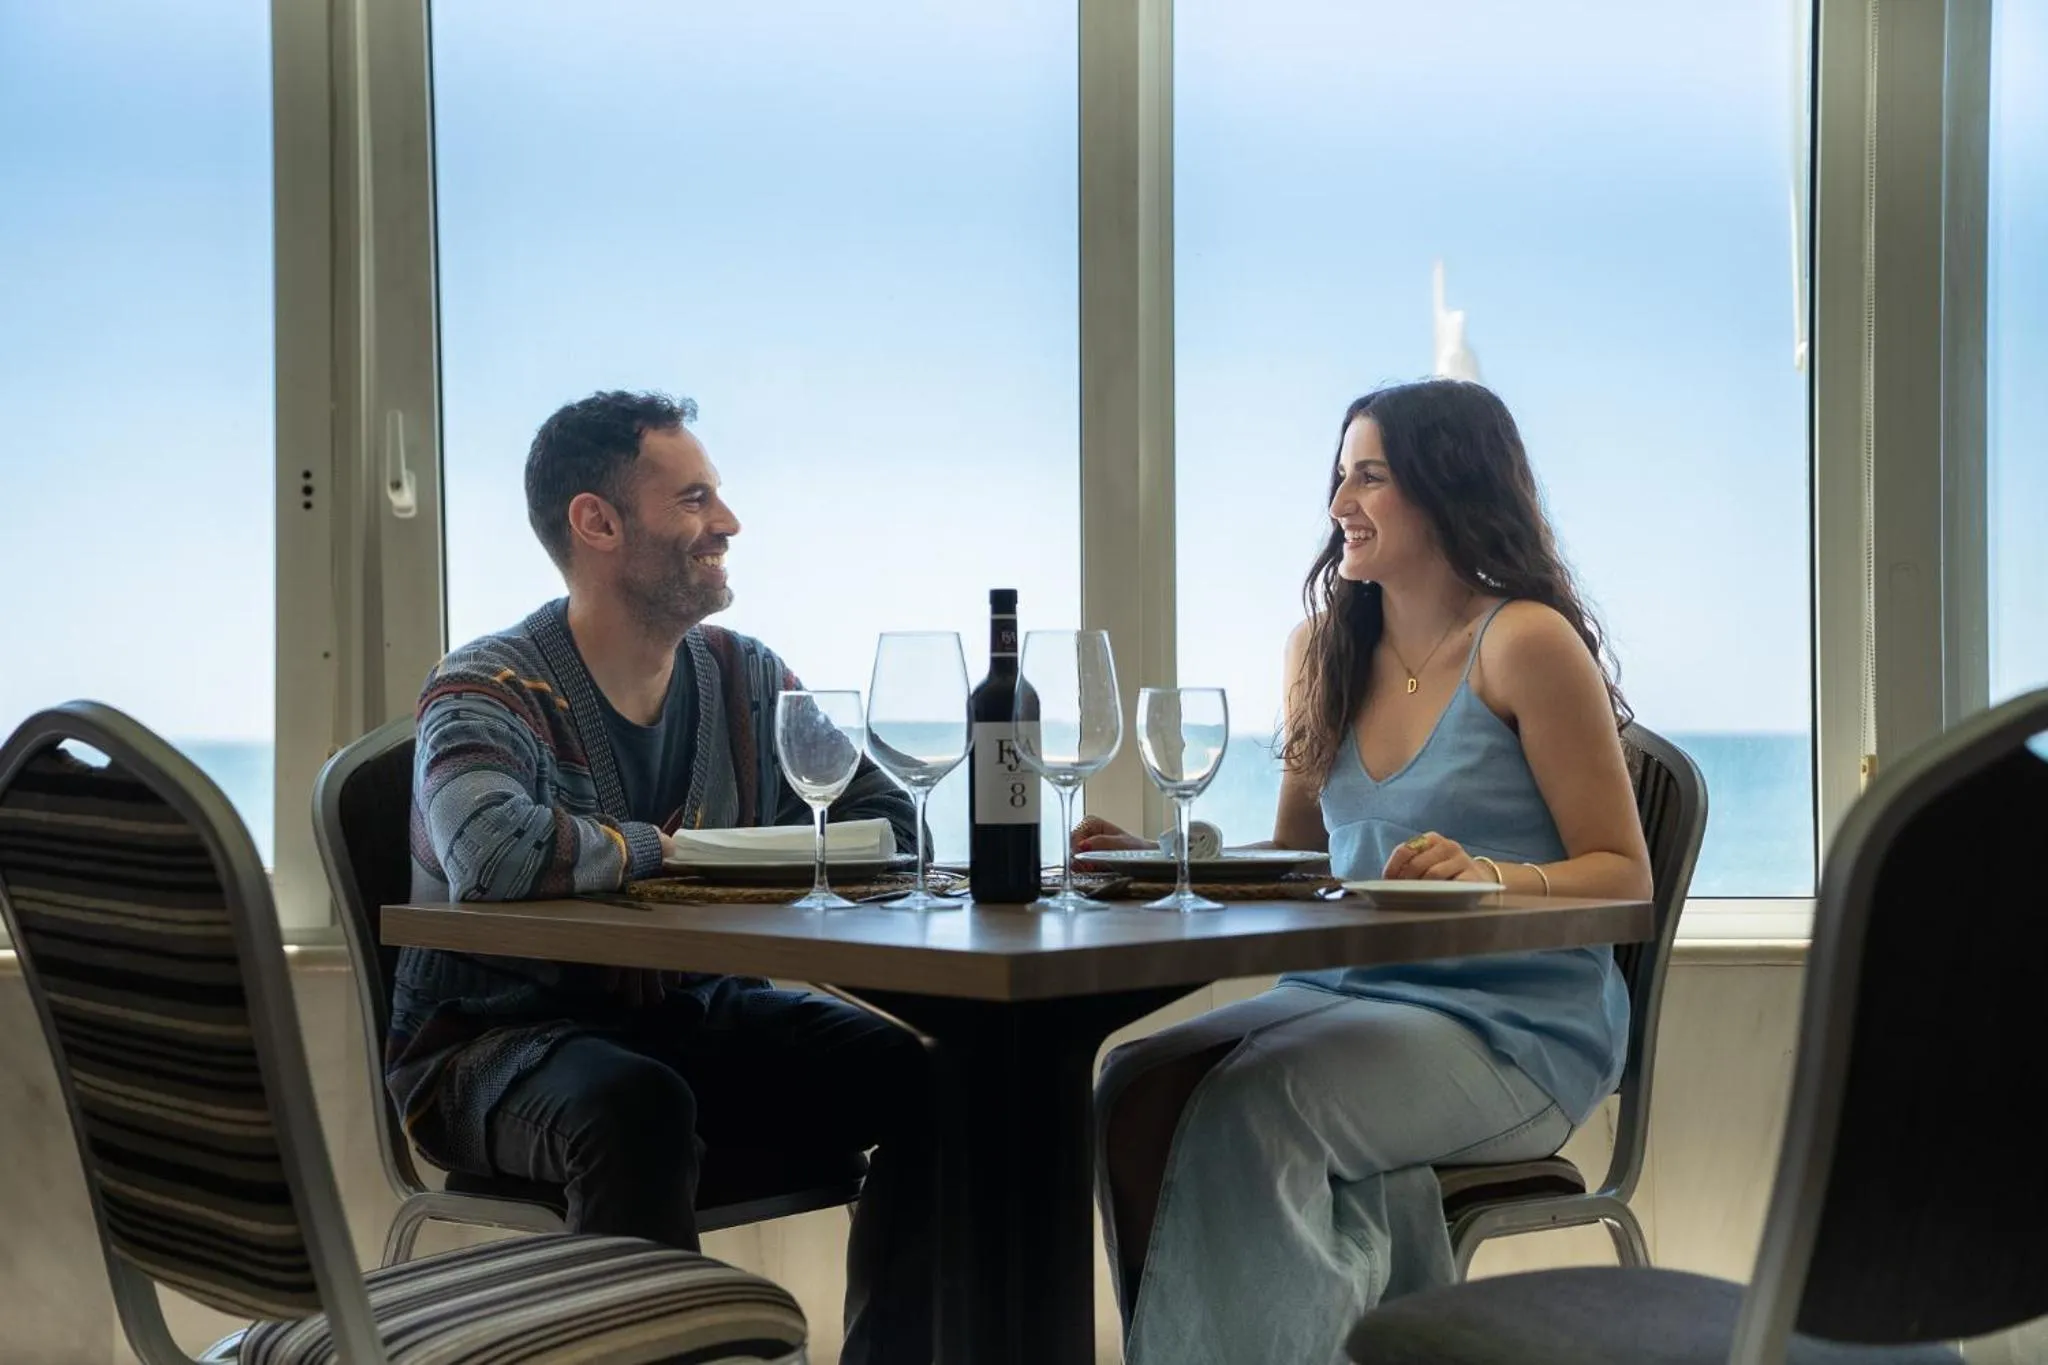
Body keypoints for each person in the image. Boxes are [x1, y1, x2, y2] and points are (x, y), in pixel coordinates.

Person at [1080, 379, 1654, 1364]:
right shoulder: (1323, 650)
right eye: (1339, 475)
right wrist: (1166, 861)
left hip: (1514, 1024)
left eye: (1370, 476)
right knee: (1133, 1082)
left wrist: (1484, 874)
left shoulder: (1521, 642)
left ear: (1447, 486)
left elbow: (1624, 877)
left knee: (1263, 1103)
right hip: (1347, 995)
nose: (1340, 503)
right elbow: (1299, 862)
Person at [384, 390, 932, 1365]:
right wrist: (668, 849)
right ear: (596, 522)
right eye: (693, 500)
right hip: (491, 1050)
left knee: (941, 1084)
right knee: (637, 1107)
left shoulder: (747, 678)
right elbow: (494, 852)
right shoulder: (483, 687)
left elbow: (886, 821)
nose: (726, 522)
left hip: (694, 1019)